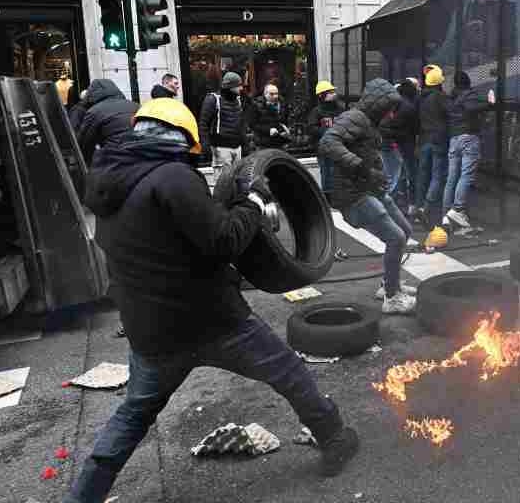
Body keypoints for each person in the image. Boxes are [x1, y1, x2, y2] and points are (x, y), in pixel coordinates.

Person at [65, 98, 357, 503]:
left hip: (150, 332)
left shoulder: (107, 182)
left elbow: (175, 235)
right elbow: (224, 240)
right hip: (213, 321)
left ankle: (82, 497)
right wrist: (252, 203)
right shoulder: (173, 176)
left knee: (132, 416)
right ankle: (335, 439)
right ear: (182, 138)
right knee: (289, 373)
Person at [318, 79, 418, 313]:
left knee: (404, 231)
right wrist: (363, 168)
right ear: (378, 105)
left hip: (370, 190)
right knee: (396, 238)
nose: (391, 115)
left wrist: (376, 174)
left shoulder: (370, 122)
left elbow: (366, 152)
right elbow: (327, 142)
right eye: (389, 110)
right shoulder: (355, 118)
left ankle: (389, 283)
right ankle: (392, 298)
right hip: (353, 195)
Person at [442, 71, 495, 232]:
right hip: (468, 138)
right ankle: (457, 210)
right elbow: (471, 107)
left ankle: (446, 214)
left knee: (452, 177)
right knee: (466, 175)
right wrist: (490, 103)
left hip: (454, 139)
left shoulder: (452, 97)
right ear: (468, 82)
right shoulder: (468, 96)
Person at [415, 65, 449, 229]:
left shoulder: (421, 98)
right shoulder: (440, 97)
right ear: (439, 82)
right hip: (438, 140)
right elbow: (451, 112)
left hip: (424, 139)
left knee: (423, 175)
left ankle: (419, 206)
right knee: (437, 176)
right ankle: (426, 209)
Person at [76, 78, 138, 167]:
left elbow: (83, 143)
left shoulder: (94, 111)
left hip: (115, 159)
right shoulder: (135, 105)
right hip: (141, 155)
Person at [379, 78, 419, 210]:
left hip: (390, 143)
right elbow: (414, 129)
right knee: (402, 175)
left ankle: (395, 202)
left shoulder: (391, 105)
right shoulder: (408, 107)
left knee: (394, 175)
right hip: (401, 144)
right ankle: (398, 203)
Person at [198, 71, 247, 172]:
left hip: (237, 147)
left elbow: (241, 124)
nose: (241, 88)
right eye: (238, 86)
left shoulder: (239, 100)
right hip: (220, 148)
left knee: (236, 177)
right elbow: (203, 124)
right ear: (231, 87)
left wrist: (245, 144)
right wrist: (205, 145)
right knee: (222, 179)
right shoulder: (213, 99)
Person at [307, 80, 345, 194]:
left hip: (339, 147)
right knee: (327, 173)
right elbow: (311, 128)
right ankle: (328, 198)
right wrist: (327, 132)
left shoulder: (340, 109)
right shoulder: (316, 112)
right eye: (330, 92)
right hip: (324, 148)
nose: (334, 94)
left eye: (333, 92)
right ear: (322, 95)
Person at [249, 83, 290, 150]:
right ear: (265, 94)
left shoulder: (282, 103)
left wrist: (284, 130)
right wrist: (269, 130)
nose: (275, 96)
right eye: (271, 94)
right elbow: (253, 125)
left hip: (280, 142)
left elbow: (284, 120)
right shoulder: (256, 105)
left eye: (276, 93)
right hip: (263, 143)